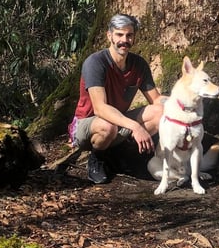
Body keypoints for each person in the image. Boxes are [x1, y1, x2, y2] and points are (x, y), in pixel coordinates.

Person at [69, 13, 164, 184]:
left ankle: (121, 156)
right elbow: (100, 108)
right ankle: (96, 159)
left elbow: (156, 100)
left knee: (160, 112)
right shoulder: (95, 63)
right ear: (109, 36)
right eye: (119, 34)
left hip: (118, 121)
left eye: (129, 35)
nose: (124, 40)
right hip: (89, 124)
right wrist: (135, 126)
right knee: (107, 126)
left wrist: (182, 103)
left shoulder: (138, 64)